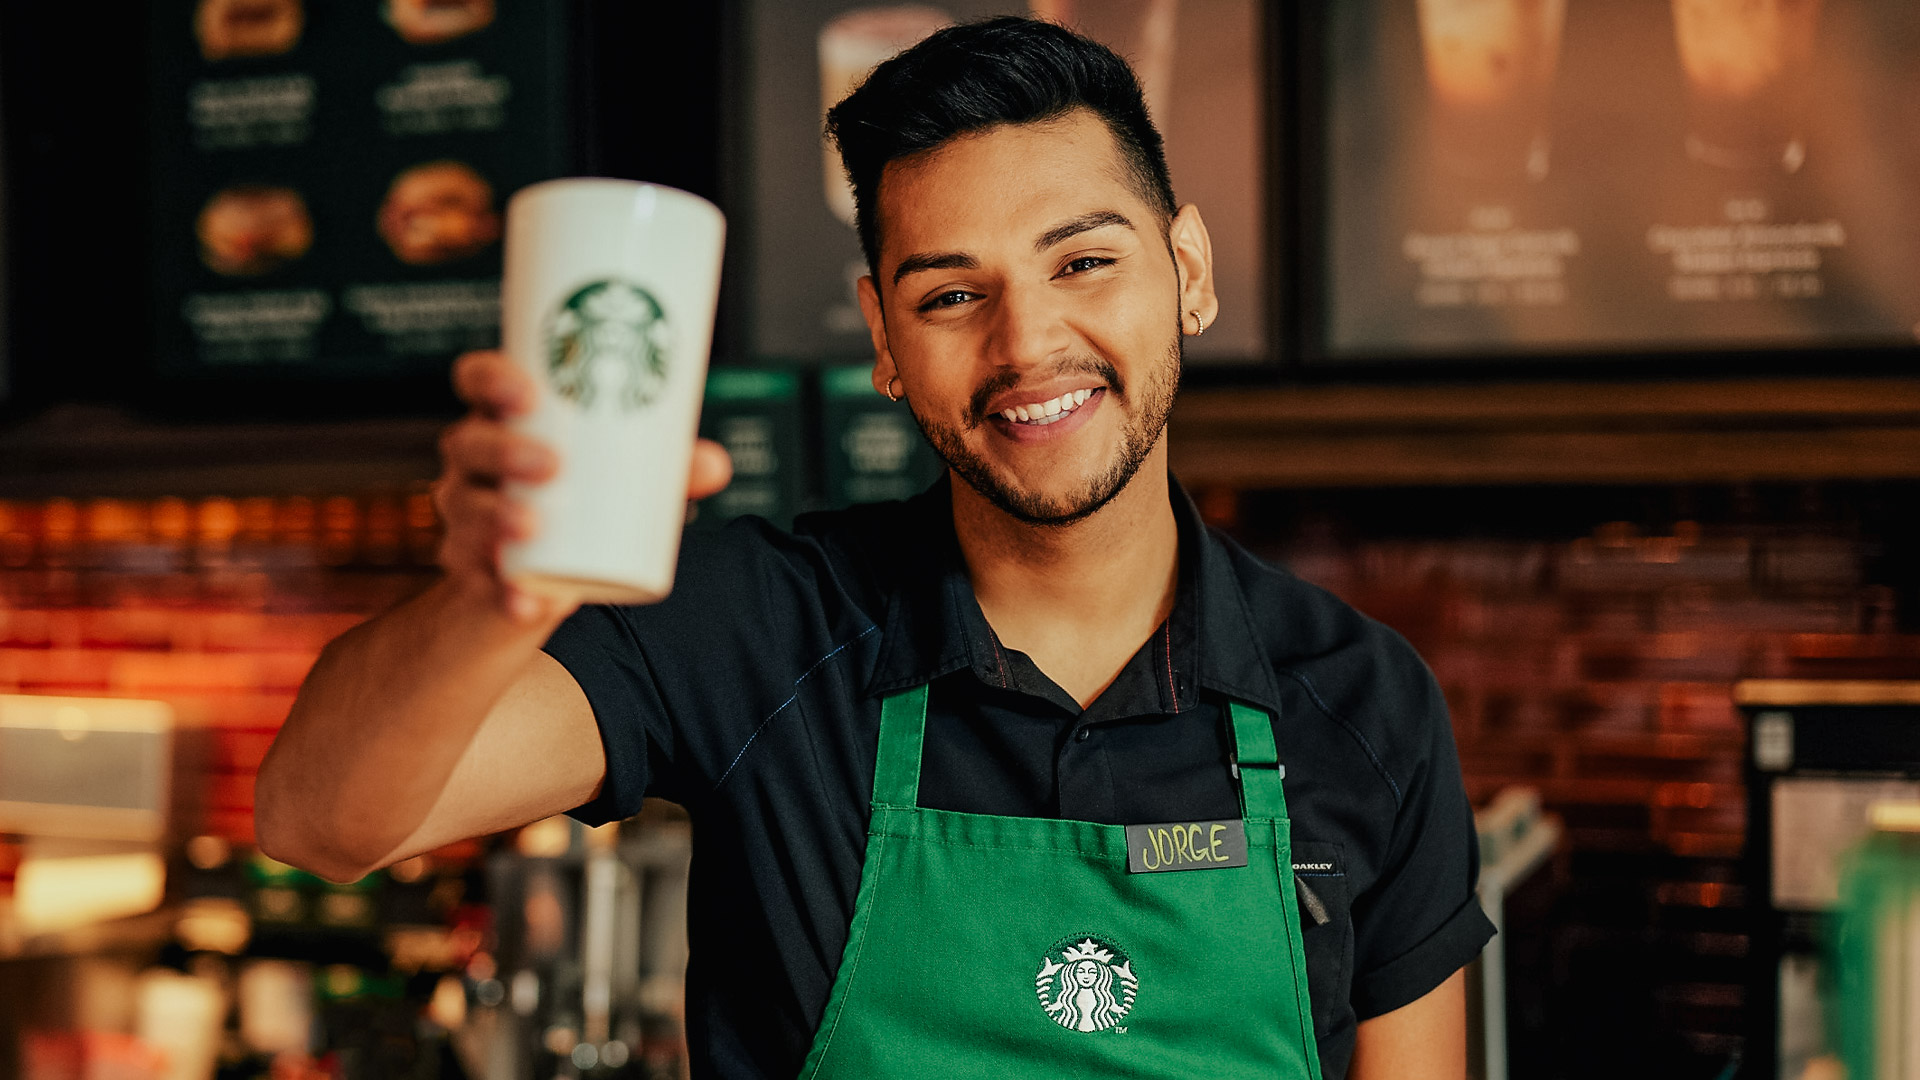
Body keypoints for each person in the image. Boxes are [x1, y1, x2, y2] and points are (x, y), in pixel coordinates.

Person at [256, 17, 1493, 1079]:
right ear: (885, 343)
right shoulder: (755, 626)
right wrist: (491, 598)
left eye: (1085, 262)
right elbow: (322, 821)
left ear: (1188, 272)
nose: (1026, 344)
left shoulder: (1362, 703)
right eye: (952, 295)